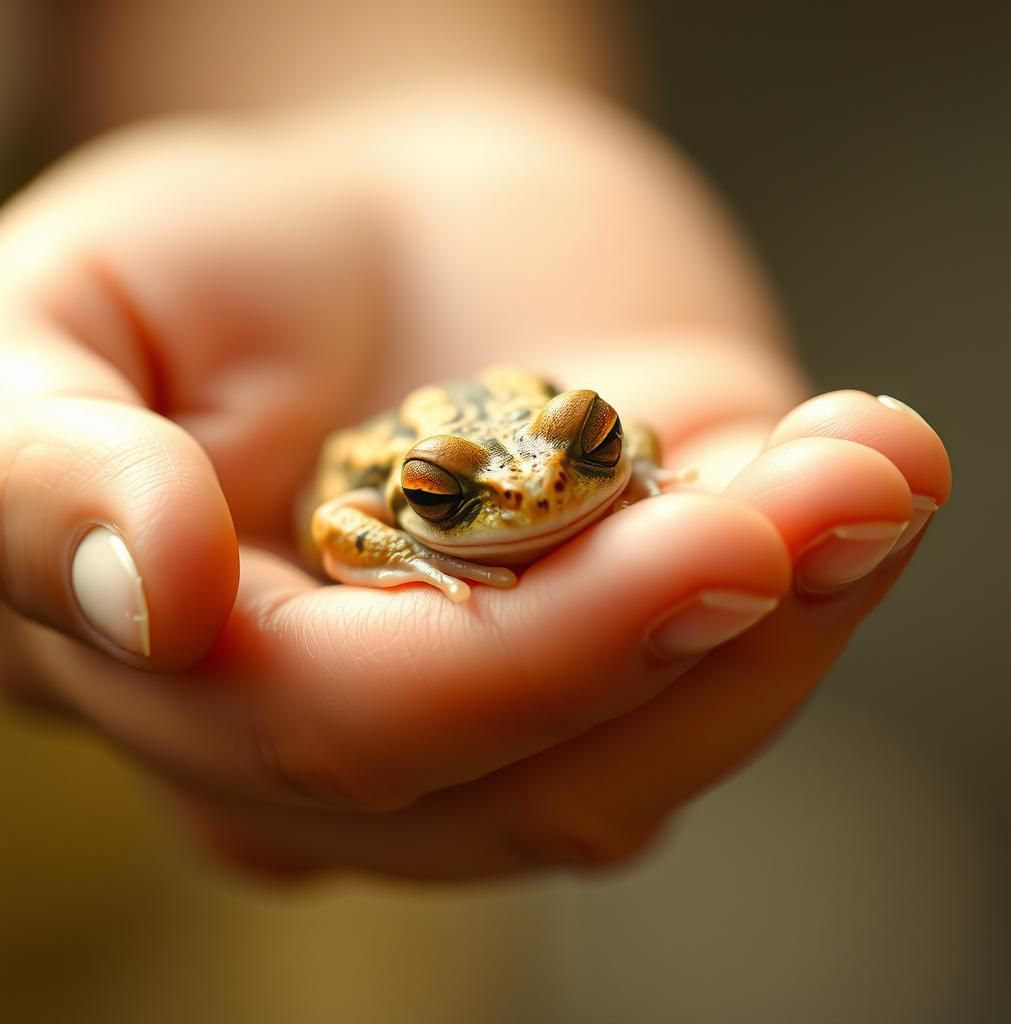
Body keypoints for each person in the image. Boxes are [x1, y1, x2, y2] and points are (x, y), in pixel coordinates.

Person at [0, 11, 951, 882]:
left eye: (590, 446)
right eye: (451, 494)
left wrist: (465, 150)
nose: (544, 492)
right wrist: (414, 544)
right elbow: (334, 517)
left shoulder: (568, 451)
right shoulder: (394, 489)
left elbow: (632, 436)